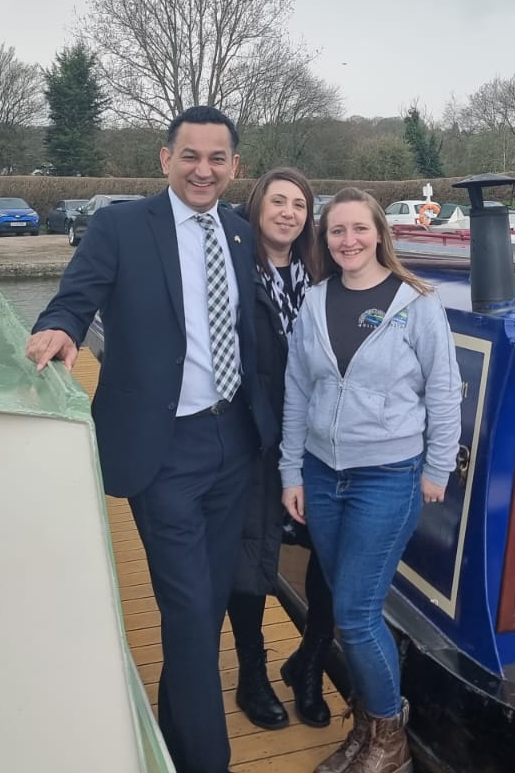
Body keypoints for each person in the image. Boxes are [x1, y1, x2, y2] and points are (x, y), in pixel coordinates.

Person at [25, 106, 274, 773]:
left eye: (217, 158)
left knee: (207, 604)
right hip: (162, 449)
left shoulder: (241, 233)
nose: (203, 169)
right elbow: (77, 296)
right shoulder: (120, 226)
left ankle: (169, 732)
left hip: (234, 442)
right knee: (191, 613)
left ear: (234, 168)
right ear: (165, 159)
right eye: (190, 156)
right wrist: (61, 329)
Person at [280, 188, 461, 773]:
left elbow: (442, 390)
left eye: (359, 229)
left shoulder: (417, 303)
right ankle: (366, 727)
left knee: (356, 613)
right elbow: (297, 391)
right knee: (347, 610)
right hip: (322, 472)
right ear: (324, 240)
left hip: (387, 474)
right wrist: (291, 471)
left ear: (379, 233)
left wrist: (436, 467)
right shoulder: (315, 301)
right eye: (337, 232)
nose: (348, 241)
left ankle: (390, 739)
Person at [225, 167, 336, 731]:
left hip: (318, 442)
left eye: (300, 203)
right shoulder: (231, 270)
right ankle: (253, 671)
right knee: (251, 560)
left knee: (332, 561)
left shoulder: (324, 275)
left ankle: (310, 665)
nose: (290, 212)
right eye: (279, 201)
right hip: (254, 440)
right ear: (257, 206)